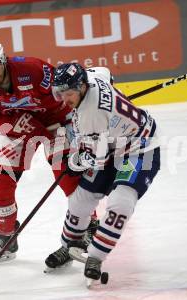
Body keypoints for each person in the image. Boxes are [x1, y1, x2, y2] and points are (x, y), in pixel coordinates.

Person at [0, 37, 85, 264]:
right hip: (18, 127)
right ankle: (6, 239)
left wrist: (78, 113)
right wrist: (18, 125)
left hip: (56, 122)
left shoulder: (32, 69)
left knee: (67, 176)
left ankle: (82, 234)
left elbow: (66, 89)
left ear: (2, 59)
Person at [44, 63, 160, 281]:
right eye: (60, 93)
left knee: (121, 203)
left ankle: (96, 257)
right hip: (111, 144)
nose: (63, 99)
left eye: (68, 93)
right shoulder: (92, 77)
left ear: (81, 87)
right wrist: (114, 108)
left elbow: (98, 160)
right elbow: (105, 71)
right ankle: (69, 245)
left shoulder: (91, 116)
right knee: (80, 200)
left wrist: (75, 162)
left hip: (140, 149)